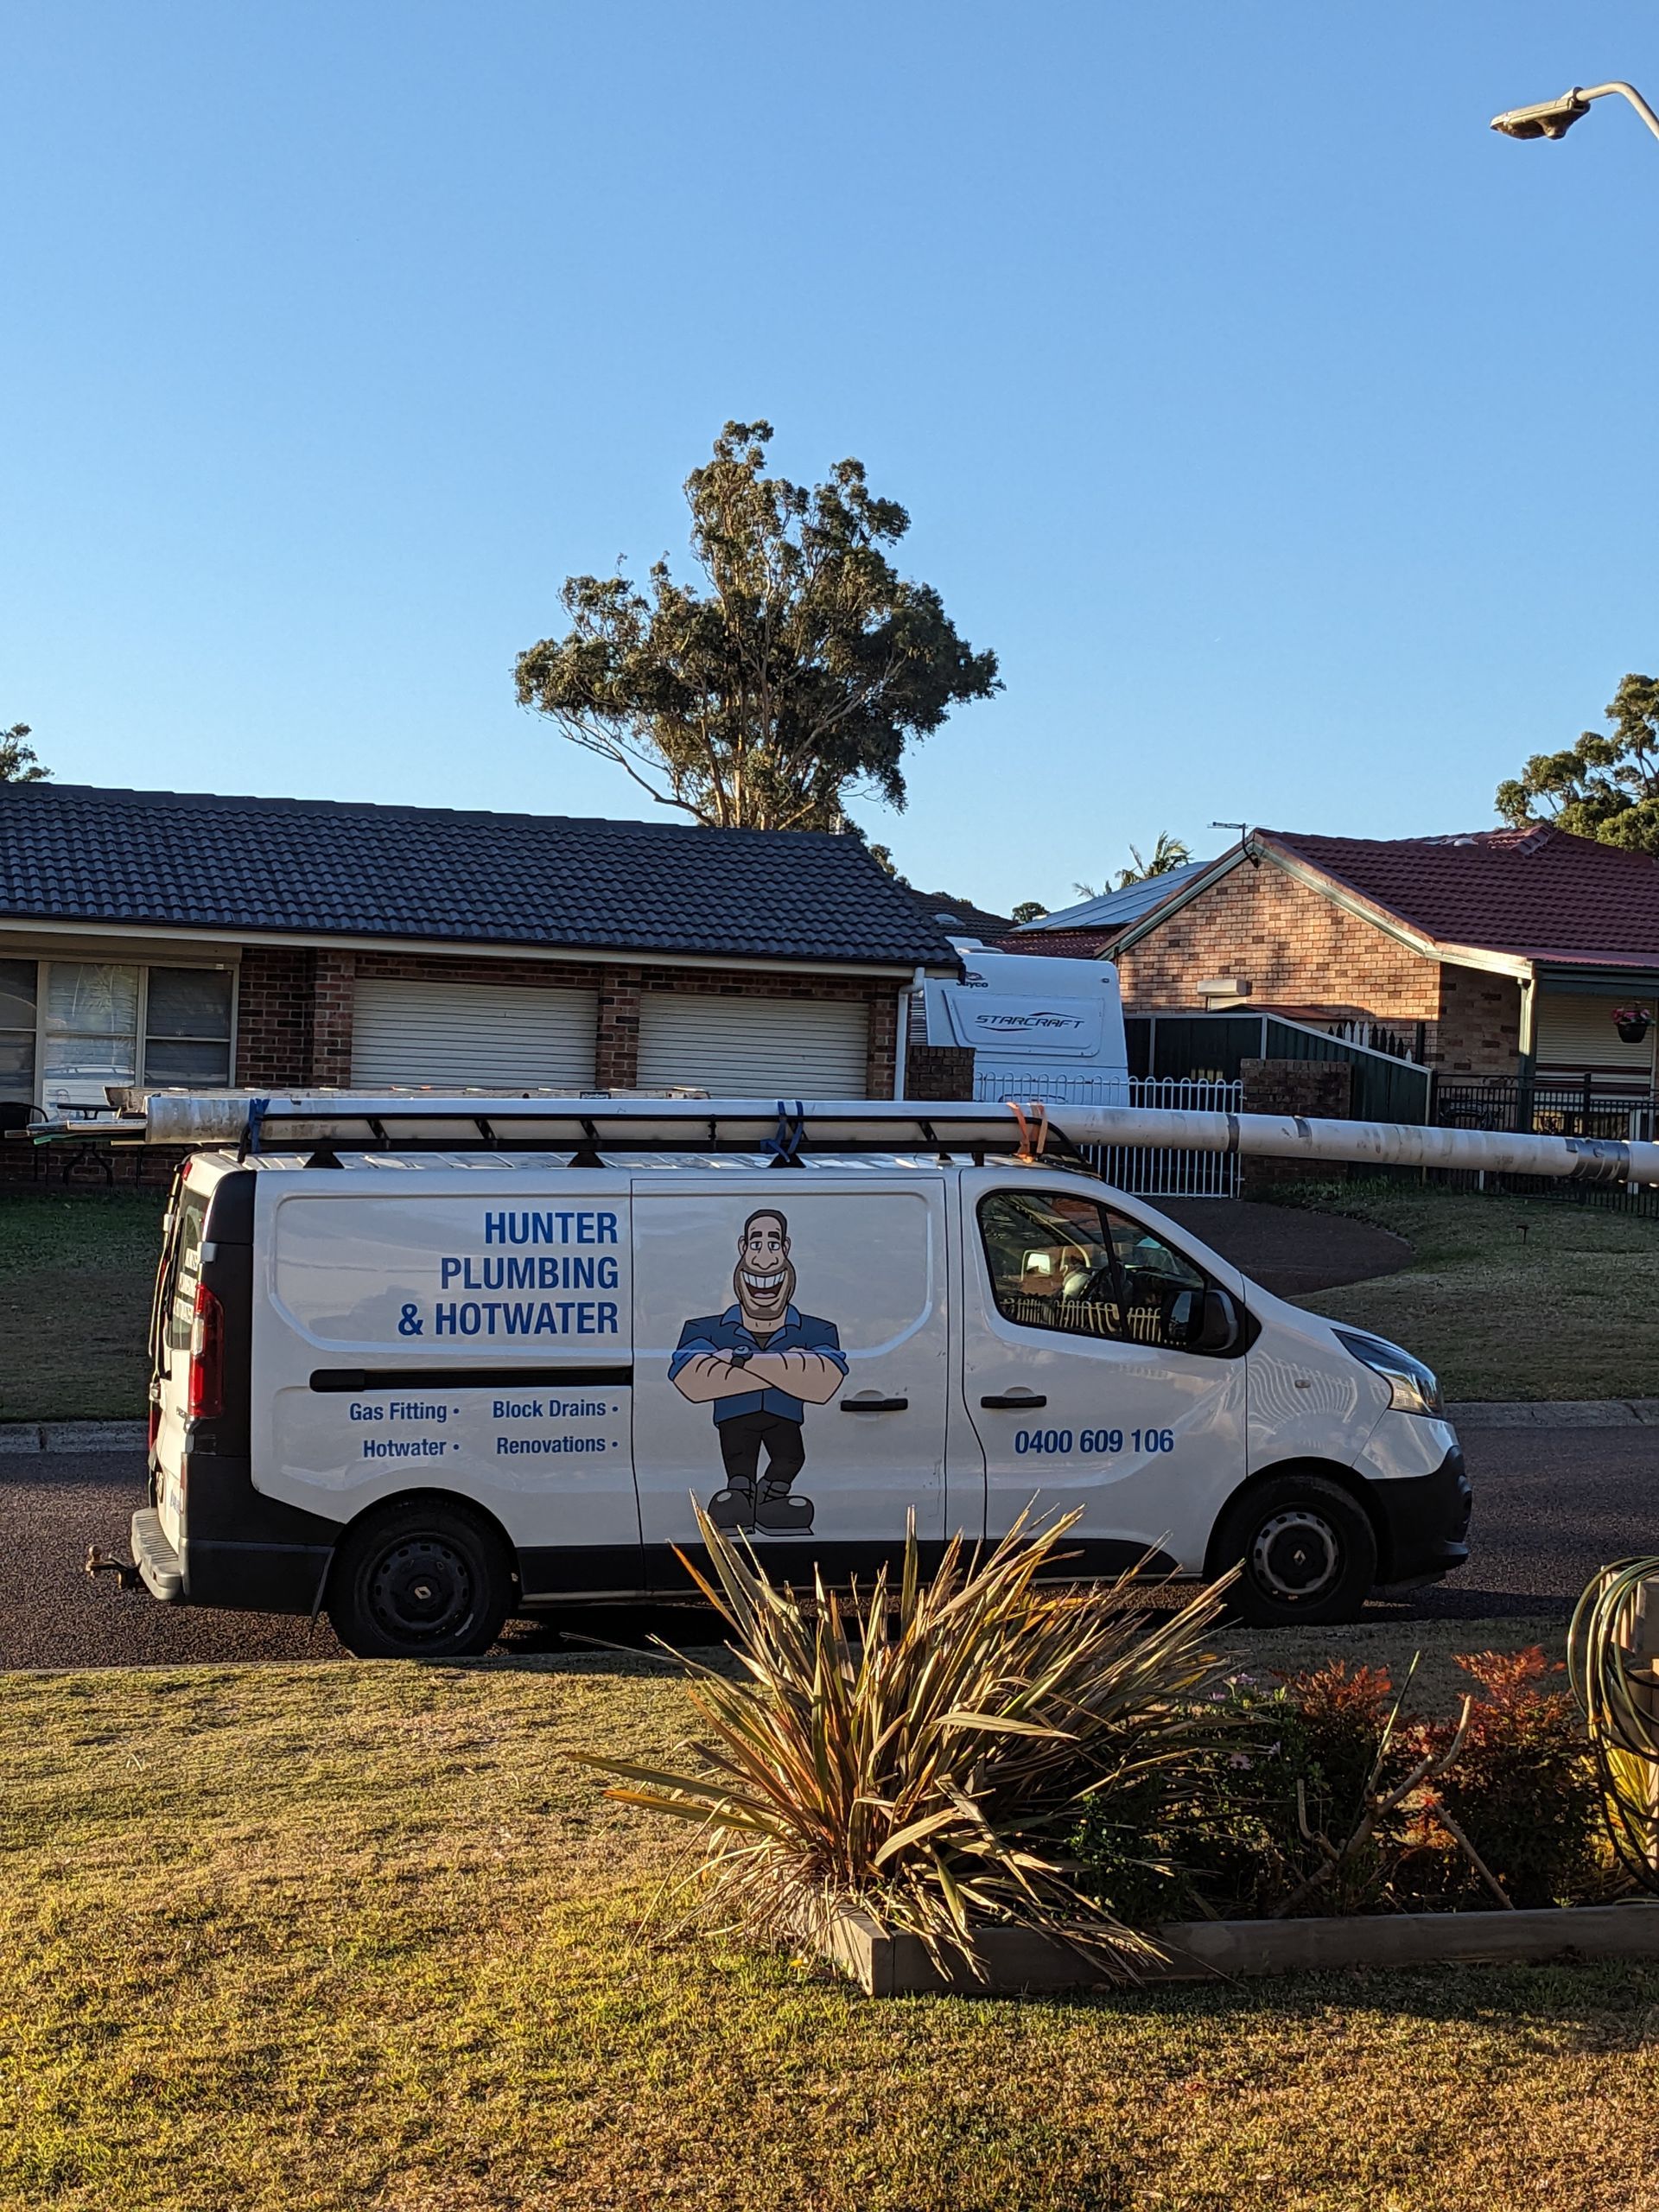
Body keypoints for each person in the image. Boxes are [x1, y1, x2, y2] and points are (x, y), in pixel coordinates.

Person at [669, 1207, 847, 1534]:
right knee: (739, 1461)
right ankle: (742, 1497)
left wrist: (736, 1360)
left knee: (791, 1459)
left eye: (774, 1243)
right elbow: (692, 1381)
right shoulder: (702, 1328)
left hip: (783, 1418)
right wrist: (791, 1365)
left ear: (787, 1248)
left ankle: (765, 1501)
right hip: (737, 1419)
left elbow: (824, 1383)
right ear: (741, 1247)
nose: (764, 1259)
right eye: (755, 1243)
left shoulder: (819, 1330)